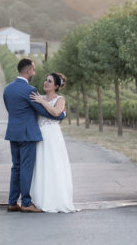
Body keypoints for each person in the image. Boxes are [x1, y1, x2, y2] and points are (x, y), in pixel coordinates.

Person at [3, 58, 64, 213]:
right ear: (29, 70)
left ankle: (11, 202)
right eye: (34, 70)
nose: (34, 73)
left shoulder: (7, 89)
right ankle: (26, 202)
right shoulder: (29, 90)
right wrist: (60, 115)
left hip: (13, 132)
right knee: (26, 168)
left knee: (15, 167)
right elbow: (44, 112)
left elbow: (11, 110)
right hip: (27, 134)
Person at [29, 72, 78, 213]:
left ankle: (55, 199)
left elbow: (57, 112)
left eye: (49, 81)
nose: (46, 82)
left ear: (56, 86)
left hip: (52, 135)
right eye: (45, 80)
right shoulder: (39, 97)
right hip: (40, 135)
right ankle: (39, 199)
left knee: (54, 164)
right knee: (41, 165)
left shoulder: (60, 99)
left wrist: (42, 102)